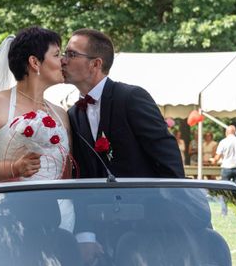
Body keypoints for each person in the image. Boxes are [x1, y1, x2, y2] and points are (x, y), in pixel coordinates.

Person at [62, 28, 184, 178]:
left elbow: (167, 156)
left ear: (95, 64)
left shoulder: (131, 98)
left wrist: (173, 196)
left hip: (142, 199)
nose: (63, 60)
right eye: (64, 54)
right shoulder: (73, 114)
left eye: (71, 54)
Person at [0, 27, 72, 183]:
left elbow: (67, 173)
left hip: (51, 206)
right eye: (57, 55)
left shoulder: (61, 114)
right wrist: (14, 168)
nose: (64, 61)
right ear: (35, 62)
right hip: (3, 205)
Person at [211, 125, 236, 189]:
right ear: (235, 132)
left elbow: (218, 156)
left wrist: (214, 160)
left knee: (225, 188)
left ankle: (225, 198)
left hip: (226, 167)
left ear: (226, 132)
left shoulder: (223, 142)